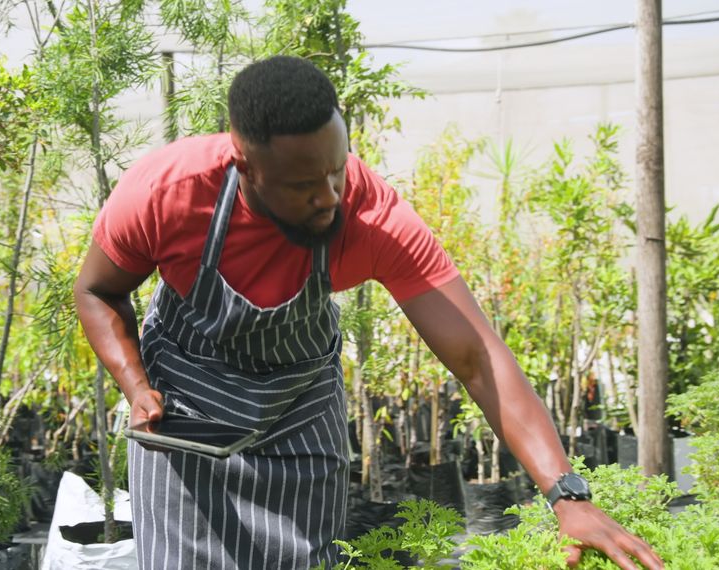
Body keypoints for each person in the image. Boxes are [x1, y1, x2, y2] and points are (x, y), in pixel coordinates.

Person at [74, 55, 664, 570]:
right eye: (305, 184)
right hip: (185, 418)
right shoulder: (167, 192)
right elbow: (98, 290)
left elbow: (478, 357)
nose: (329, 196)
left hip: (295, 416)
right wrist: (136, 385)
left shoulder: (372, 217)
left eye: (337, 168)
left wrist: (568, 494)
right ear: (246, 166)